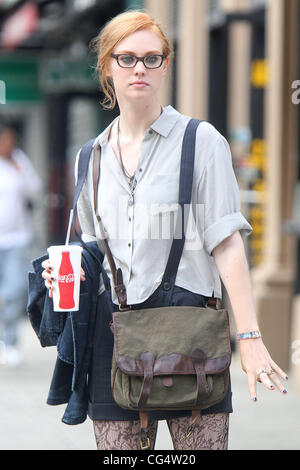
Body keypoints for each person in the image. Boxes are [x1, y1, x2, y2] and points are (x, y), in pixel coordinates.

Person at [42, 10, 288, 450]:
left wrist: (249, 337)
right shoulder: (90, 157)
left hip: (191, 335)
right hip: (115, 336)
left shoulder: (202, 141)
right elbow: (93, 249)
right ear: (106, 67)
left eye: (152, 58)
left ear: (166, 66)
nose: (140, 68)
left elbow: (227, 244)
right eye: (127, 58)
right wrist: (71, 271)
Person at [0, 124, 41, 366]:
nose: (8, 145)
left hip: (16, 239)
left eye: (11, 141)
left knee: (14, 291)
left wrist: (21, 172)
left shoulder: (20, 162)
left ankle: (10, 341)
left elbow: (35, 192)